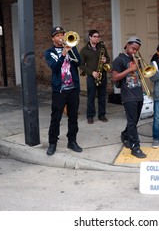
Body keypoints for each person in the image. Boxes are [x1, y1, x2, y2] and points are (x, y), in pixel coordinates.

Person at [44, 26, 82, 156]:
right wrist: (63, 55)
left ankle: (72, 141)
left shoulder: (72, 48)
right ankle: (52, 143)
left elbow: (78, 63)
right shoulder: (49, 52)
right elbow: (55, 67)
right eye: (58, 35)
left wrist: (70, 51)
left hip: (73, 89)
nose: (61, 37)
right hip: (59, 90)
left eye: (62, 34)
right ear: (53, 38)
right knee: (56, 117)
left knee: (73, 117)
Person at [112, 36, 146, 159]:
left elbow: (140, 75)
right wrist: (130, 69)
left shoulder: (136, 59)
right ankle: (135, 147)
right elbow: (115, 78)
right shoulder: (119, 60)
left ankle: (125, 135)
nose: (134, 51)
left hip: (138, 93)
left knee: (135, 120)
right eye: (133, 48)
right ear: (127, 45)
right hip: (128, 94)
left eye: (136, 49)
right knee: (132, 121)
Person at [79, 29, 111, 124]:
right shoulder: (84, 50)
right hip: (91, 76)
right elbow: (81, 65)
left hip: (102, 75)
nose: (97, 38)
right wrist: (92, 72)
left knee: (102, 96)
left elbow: (108, 59)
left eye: (98, 36)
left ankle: (102, 115)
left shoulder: (102, 47)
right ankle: (90, 116)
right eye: (95, 36)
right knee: (91, 97)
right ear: (90, 37)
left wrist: (105, 60)